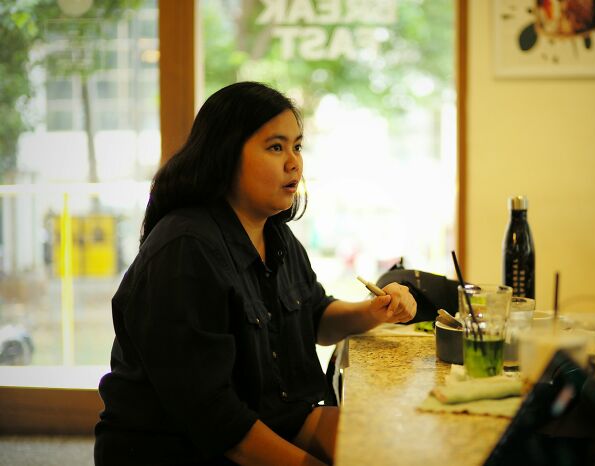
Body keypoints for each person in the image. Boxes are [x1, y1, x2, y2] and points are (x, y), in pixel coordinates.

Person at [94, 81, 417, 466]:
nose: (294, 162)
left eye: (297, 146)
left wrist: (374, 312)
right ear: (225, 155)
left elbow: (314, 316)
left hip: (275, 419)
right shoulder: (185, 249)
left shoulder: (274, 233)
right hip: (180, 448)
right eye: (275, 147)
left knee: (394, 445)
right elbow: (218, 421)